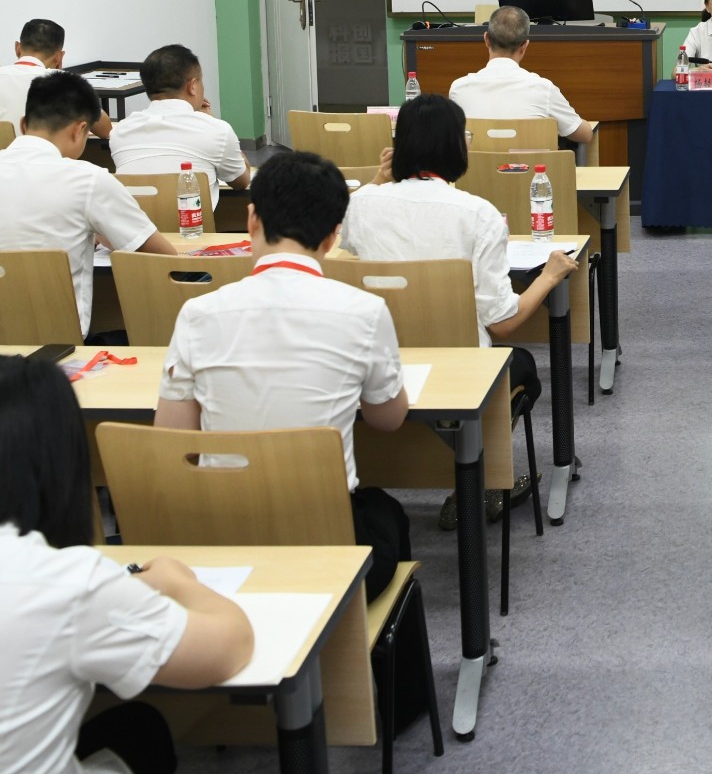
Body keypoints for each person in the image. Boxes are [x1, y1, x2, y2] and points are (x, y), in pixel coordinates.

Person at [154, 150, 412, 600]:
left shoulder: (197, 312)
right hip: (325, 546)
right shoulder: (365, 311)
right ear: (332, 236)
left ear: (251, 219)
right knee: (385, 512)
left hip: (220, 540)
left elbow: (173, 439)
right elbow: (387, 419)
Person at [0, 354, 253, 774]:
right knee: (142, 732)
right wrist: (178, 582)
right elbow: (229, 647)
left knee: (133, 726)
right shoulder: (66, 582)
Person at [342, 93, 579, 527]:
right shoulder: (478, 214)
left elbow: (345, 246)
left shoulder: (361, 204)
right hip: (460, 366)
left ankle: (462, 477)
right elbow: (502, 323)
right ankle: (477, 485)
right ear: (457, 147)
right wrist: (549, 276)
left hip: (379, 359)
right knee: (521, 366)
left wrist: (378, 180)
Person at [0, 71, 175, 340]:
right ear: (80, 130)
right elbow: (164, 257)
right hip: (59, 344)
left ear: (23, 125)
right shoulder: (89, 179)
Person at [110, 43, 251, 208]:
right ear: (193, 86)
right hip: (191, 224)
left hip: (133, 224)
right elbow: (241, 181)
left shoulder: (120, 131)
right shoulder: (217, 131)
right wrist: (213, 121)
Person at [449, 5, 596, 144]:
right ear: (525, 45)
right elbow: (585, 135)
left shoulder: (459, 89)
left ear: (486, 39)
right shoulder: (544, 89)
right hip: (530, 164)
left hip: (478, 164)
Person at [0, 19, 112, 139]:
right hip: (42, 150)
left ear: (17, 48)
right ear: (59, 57)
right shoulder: (64, 81)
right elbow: (106, 130)